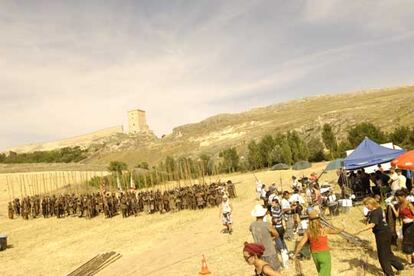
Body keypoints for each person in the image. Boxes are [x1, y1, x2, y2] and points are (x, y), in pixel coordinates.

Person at [355, 197, 404, 276]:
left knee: (383, 256)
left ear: (372, 203)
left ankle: (389, 274)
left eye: (367, 204)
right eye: (365, 205)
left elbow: (372, 224)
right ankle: (399, 266)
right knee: (387, 252)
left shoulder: (375, 212)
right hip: (387, 232)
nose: (366, 206)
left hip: (382, 234)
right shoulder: (379, 209)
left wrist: (360, 230)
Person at [294, 209, 344, 276]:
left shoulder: (308, 232)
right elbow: (338, 231)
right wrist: (343, 226)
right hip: (324, 254)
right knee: (325, 274)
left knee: (321, 272)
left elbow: (300, 244)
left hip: (315, 255)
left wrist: (295, 254)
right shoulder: (324, 230)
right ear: (318, 220)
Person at [250, 204, 281, 271]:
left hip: (259, 253)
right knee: (274, 271)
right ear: (263, 214)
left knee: (264, 271)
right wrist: (271, 238)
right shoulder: (267, 225)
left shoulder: (252, 225)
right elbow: (276, 234)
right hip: (269, 251)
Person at [390, 189, 414, 266]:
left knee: (407, 242)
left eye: (399, 197)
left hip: (411, 225)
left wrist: (411, 221)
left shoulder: (409, 204)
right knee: (407, 242)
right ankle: (411, 260)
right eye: (397, 197)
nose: (398, 199)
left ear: (403, 196)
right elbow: (397, 215)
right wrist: (392, 206)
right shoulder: (400, 204)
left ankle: (410, 262)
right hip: (405, 226)